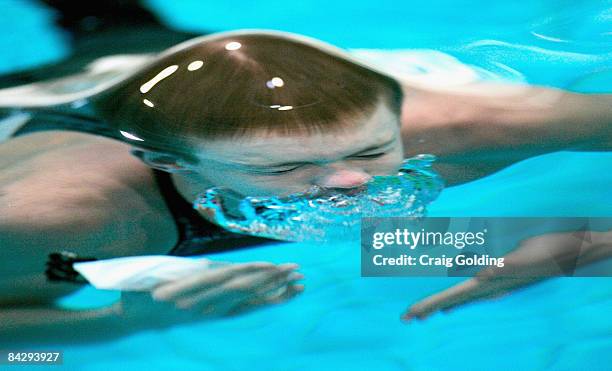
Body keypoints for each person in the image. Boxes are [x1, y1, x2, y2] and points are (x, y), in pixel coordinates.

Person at [1, 30, 611, 343]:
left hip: (174, 73)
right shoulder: (63, 221)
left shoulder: (476, 129)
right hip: (32, 104)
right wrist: (120, 321)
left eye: (373, 149)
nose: (350, 182)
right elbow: (21, 350)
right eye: (281, 170)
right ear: (167, 163)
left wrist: (588, 247)